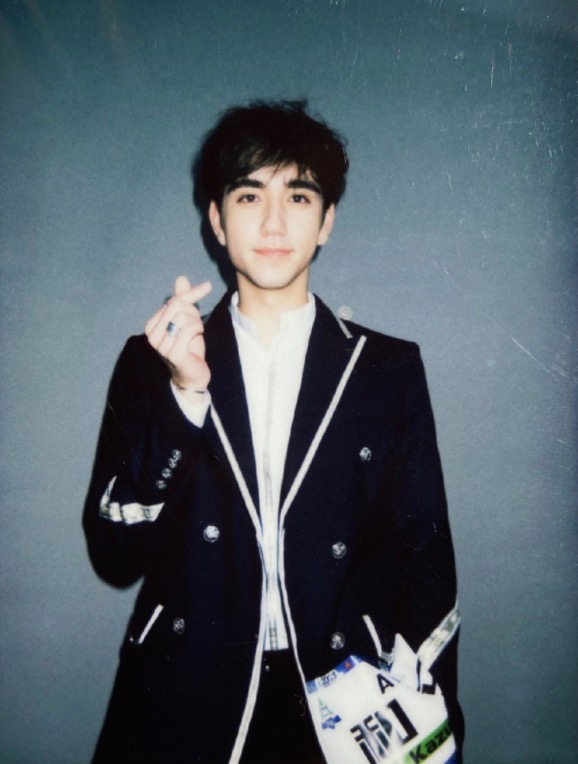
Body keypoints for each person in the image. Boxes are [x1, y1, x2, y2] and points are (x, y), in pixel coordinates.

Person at [83, 100, 463, 764]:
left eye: (299, 196)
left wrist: (431, 722)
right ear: (216, 219)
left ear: (326, 221)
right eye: (249, 195)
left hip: (344, 700)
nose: (274, 222)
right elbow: (114, 555)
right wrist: (183, 395)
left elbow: (427, 559)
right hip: (188, 695)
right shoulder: (152, 361)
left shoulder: (386, 368)